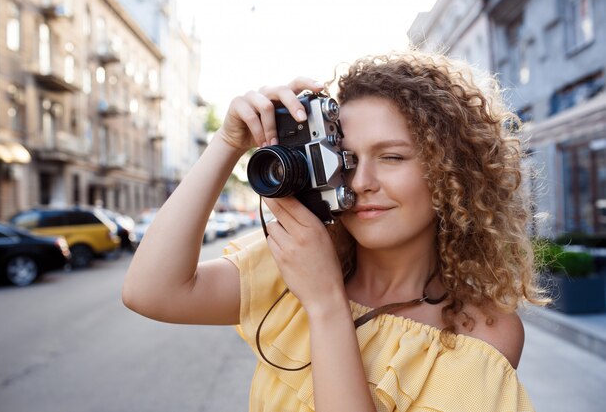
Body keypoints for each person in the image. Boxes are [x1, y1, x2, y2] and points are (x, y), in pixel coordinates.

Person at [122, 50, 548, 411]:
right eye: (344, 157)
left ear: (451, 174)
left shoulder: (482, 329)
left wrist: (326, 304)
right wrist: (228, 143)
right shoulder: (295, 264)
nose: (361, 181)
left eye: (392, 157)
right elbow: (151, 292)